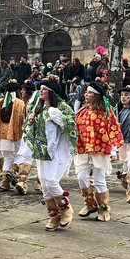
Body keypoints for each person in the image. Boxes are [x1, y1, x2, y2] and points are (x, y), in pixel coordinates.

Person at [24, 80, 77, 231]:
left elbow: (71, 124)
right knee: (44, 183)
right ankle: (54, 216)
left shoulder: (61, 107)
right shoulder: (39, 107)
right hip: (41, 150)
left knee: (51, 181)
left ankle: (66, 208)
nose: (41, 92)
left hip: (57, 150)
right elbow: (31, 126)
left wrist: (57, 115)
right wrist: (31, 120)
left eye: (44, 89)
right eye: (40, 89)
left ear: (51, 92)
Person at [74, 81, 124, 221]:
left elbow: (113, 129)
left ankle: (104, 208)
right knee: (81, 177)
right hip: (83, 149)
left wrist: (113, 151)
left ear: (97, 95)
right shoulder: (82, 111)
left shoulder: (106, 111)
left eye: (90, 93)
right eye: (86, 92)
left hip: (100, 150)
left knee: (99, 180)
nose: (86, 94)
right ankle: (90, 204)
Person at [0, 79, 25, 192]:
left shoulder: (0, 102)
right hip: (15, 134)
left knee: (8, 157)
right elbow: (22, 120)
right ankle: (12, 172)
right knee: (20, 155)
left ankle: (5, 181)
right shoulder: (19, 103)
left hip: (2, 136)